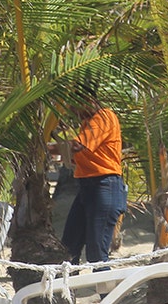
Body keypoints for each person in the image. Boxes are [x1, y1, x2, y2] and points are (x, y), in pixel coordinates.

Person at [53, 83, 127, 266]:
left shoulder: (104, 117)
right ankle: (68, 294)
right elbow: (78, 155)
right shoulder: (87, 125)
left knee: (96, 254)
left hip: (105, 186)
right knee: (69, 248)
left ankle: (109, 295)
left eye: (74, 107)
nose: (73, 112)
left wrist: (44, 148)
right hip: (88, 188)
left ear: (89, 100)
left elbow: (78, 146)